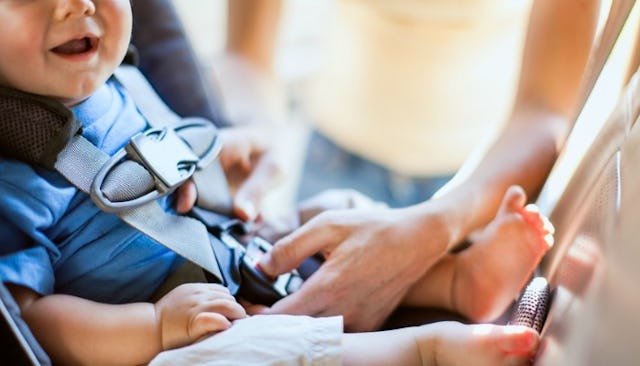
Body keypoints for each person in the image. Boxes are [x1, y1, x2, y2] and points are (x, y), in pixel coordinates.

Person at [0, 0, 547, 365]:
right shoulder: (12, 173)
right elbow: (32, 317)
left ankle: (456, 280)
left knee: (329, 213)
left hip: (230, 252)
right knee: (257, 352)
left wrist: (216, 149)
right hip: (172, 332)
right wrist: (155, 326)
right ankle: (424, 351)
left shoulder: (124, 82)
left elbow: (173, 152)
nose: (77, 5)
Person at [220, 0, 603, 331]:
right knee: (292, 278)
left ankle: (461, 278)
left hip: (480, 188)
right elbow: (245, 57)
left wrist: (438, 223)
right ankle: (460, 279)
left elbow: (546, 112)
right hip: (334, 167)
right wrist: (252, 129)